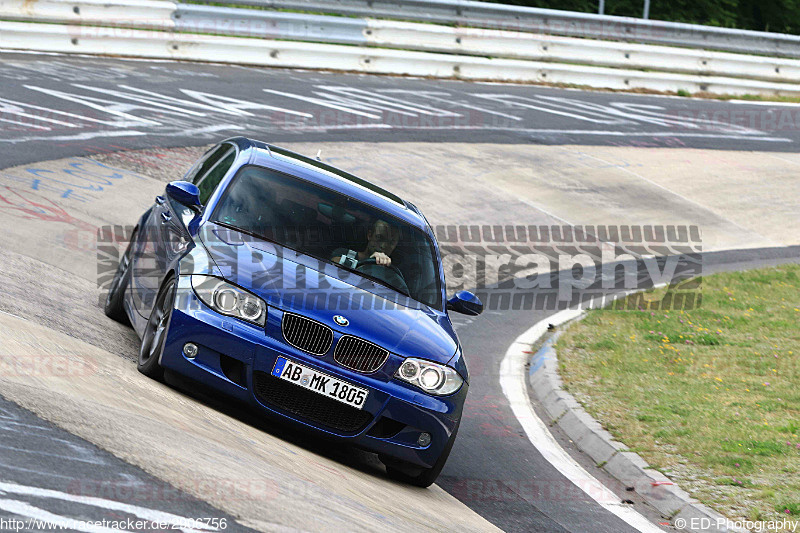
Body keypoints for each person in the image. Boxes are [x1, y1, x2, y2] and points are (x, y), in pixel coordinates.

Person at [331, 219, 400, 268]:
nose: (383, 246)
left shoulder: (392, 273)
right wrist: (370, 262)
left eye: (391, 242)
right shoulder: (345, 253)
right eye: (379, 238)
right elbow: (332, 266)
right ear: (369, 235)